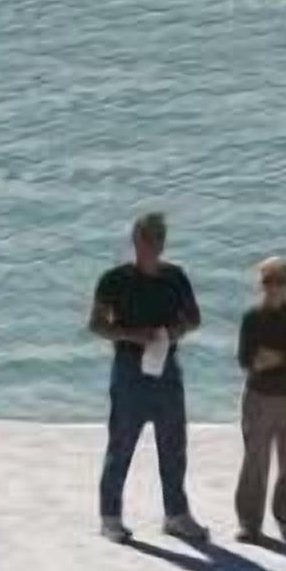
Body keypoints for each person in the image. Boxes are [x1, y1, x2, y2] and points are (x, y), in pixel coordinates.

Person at [89, 211, 208, 545]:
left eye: (157, 239)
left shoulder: (175, 277)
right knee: (121, 443)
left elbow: (194, 318)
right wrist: (133, 335)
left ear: (163, 242)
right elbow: (96, 324)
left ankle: (176, 515)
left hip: (166, 365)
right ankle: (110, 517)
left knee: (173, 444)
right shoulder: (114, 280)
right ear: (135, 240)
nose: (151, 245)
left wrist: (173, 331)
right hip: (129, 369)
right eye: (146, 239)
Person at [235, 255, 286, 541]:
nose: (273, 287)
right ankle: (249, 523)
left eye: (280, 281)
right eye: (268, 281)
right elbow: (246, 359)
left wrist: (272, 357)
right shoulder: (252, 318)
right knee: (254, 462)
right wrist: (280, 356)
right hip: (259, 397)